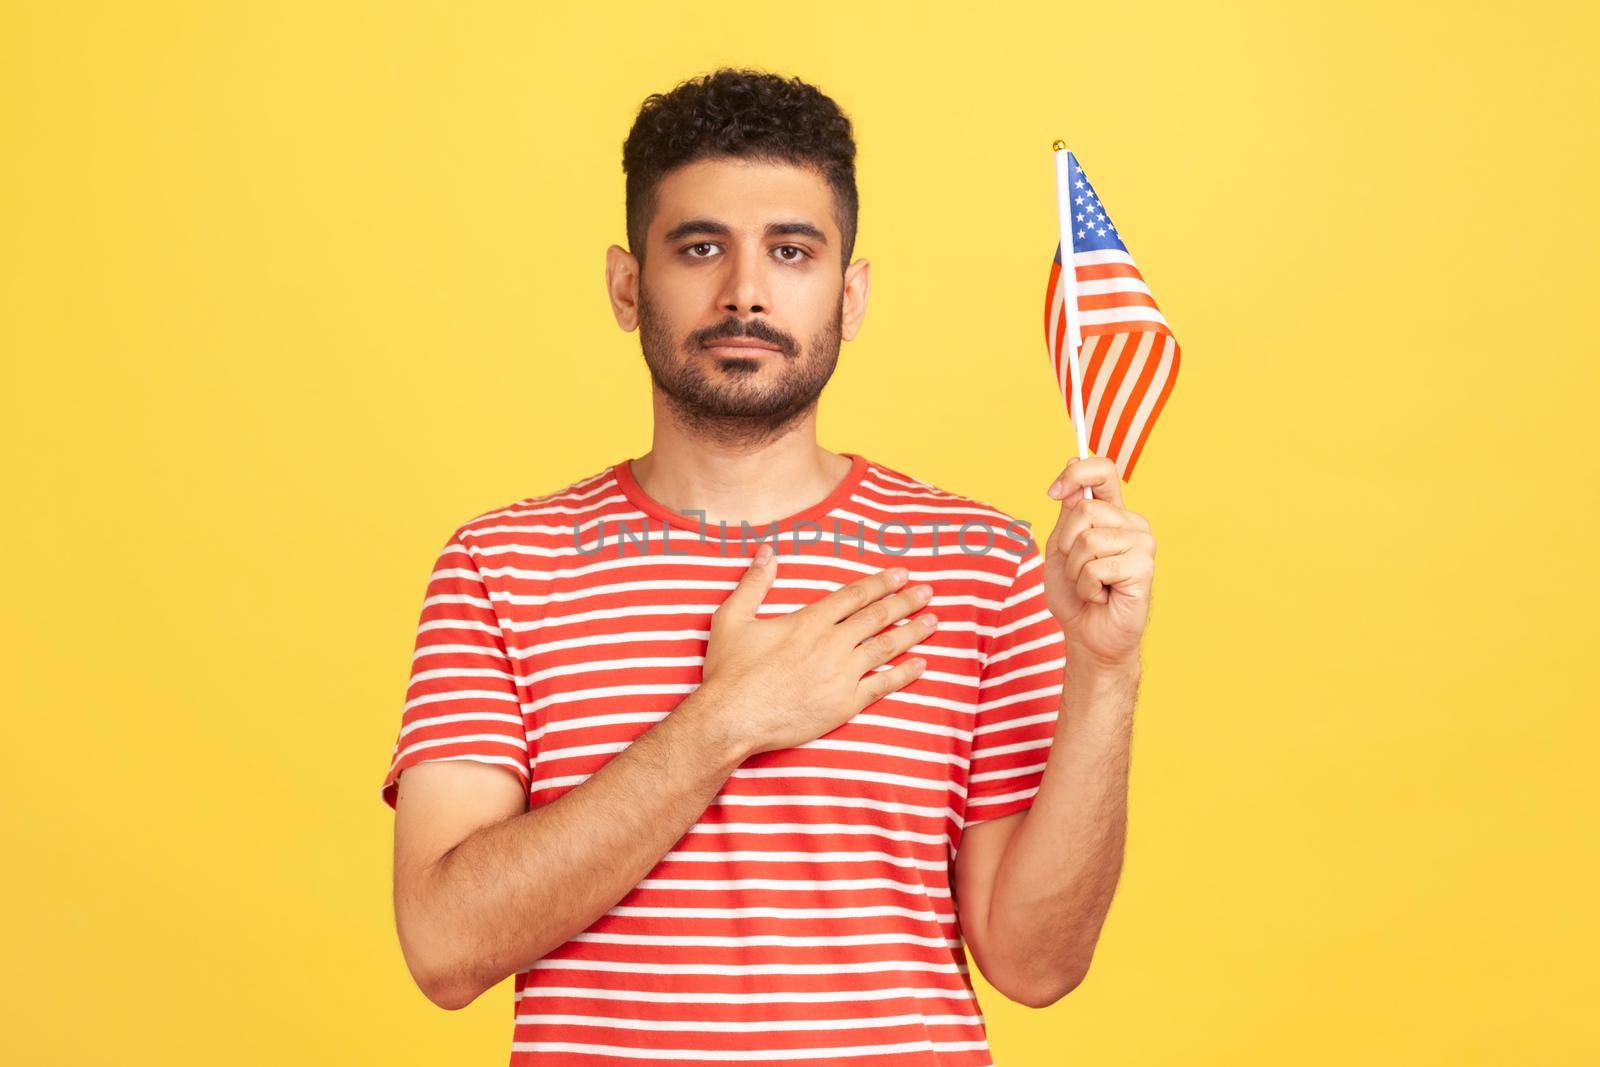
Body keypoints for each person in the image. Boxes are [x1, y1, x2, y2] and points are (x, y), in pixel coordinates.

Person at [379, 66, 1155, 1065]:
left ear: (851, 290)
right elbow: (444, 946)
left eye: (791, 251)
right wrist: (727, 720)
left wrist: (1106, 674)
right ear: (626, 284)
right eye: (700, 247)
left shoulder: (982, 565)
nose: (744, 291)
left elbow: (1035, 963)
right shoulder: (502, 565)